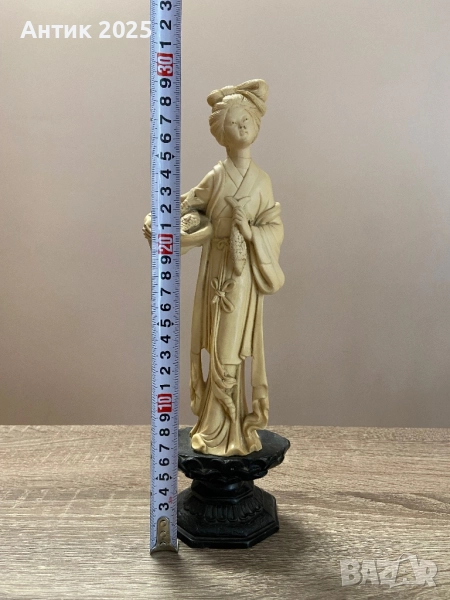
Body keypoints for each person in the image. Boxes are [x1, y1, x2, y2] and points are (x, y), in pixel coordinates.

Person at [144, 79, 284, 456]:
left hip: (244, 274)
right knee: (218, 344)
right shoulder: (217, 176)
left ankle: (235, 428)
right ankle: (214, 427)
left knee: (231, 349)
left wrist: (251, 232)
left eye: (246, 120)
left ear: (256, 123)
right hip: (217, 268)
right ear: (221, 133)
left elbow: (273, 225)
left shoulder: (262, 181)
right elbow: (186, 203)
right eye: (233, 123)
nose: (241, 127)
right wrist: (160, 220)